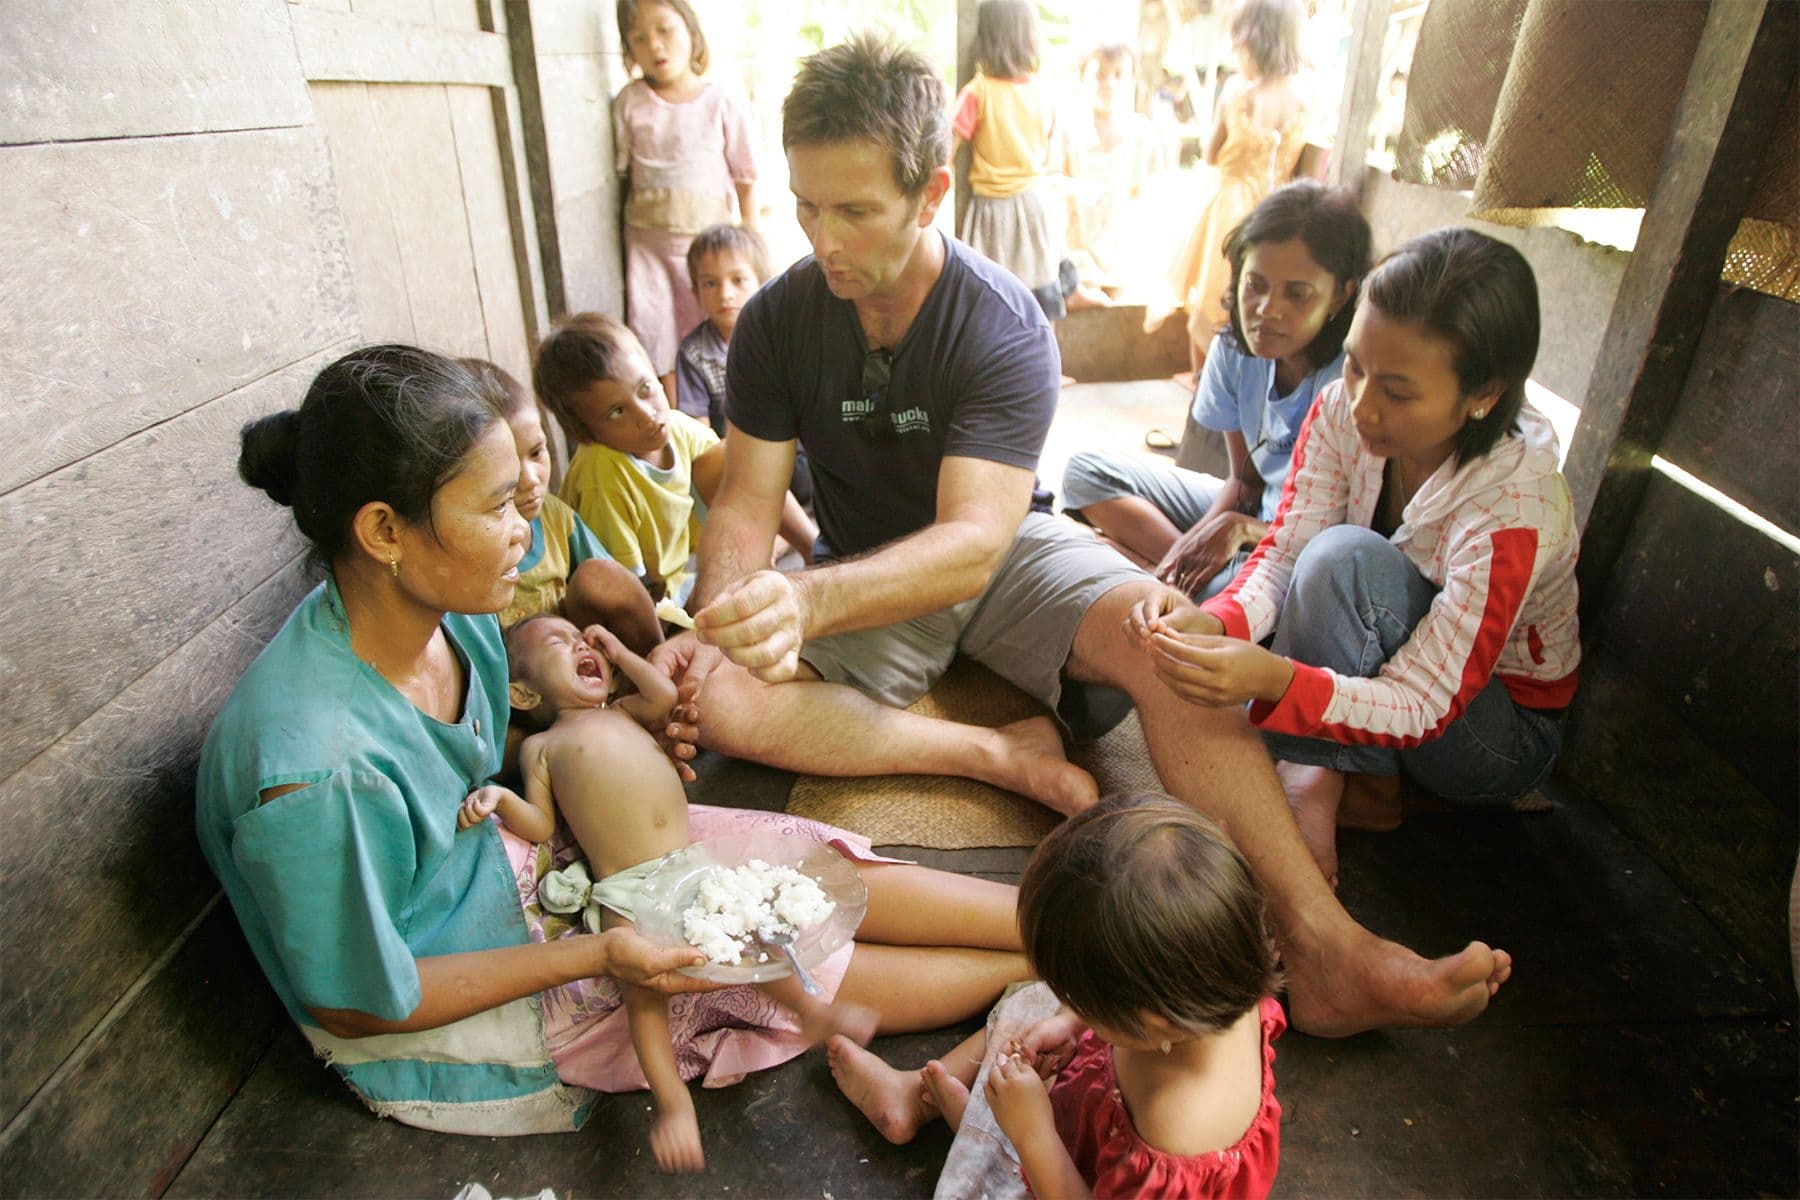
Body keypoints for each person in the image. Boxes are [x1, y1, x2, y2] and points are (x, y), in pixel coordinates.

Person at [654, 32, 1511, 1040]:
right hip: (865, 572)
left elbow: (975, 541)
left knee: (1174, 639)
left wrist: (798, 601)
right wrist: (724, 612)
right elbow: (748, 501)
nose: (823, 237)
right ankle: (994, 754)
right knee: (710, 689)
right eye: (804, 206)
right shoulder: (777, 322)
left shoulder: (1001, 322)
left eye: (855, 210)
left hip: (1005, 552)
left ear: (932, 193)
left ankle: (1326, 947)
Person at [195, 344, 1035, 1138]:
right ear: (383, 531)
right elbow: (361, 1001)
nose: (527, 524)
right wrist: (597, 951)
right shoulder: (314, 775)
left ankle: (1057, 930)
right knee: (748, 969)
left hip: (510, 865)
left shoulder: (448, 618)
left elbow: (493, 762)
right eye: (496, 507)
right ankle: (1064, 968)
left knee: (790, 871)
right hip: (434, 1005)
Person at [1128, 228, 1580, 887]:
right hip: (1393, 662)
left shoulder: (1517, 502)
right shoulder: (1342, 408)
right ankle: (1337, 777)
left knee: (1344, 562)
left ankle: (1332, 780)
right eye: (1355, 365)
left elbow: (1427, 702)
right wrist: (1218, 623)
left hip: (1495, 735)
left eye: (1397, 391)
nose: (1362, 404)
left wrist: (1275, 681)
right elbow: (1284, 552)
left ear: (1483, 394)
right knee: (1321, 564)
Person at [469, 613, 875, 1171]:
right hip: (626, 887)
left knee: (753, 935)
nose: (581, 644)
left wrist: (617, 647)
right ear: (522, 690)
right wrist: (499, 799)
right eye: (560, 643)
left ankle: (811, 1013)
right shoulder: (542, 745)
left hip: (691, 864)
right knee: (645, 999)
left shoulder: (624, 711)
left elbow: (661, 695)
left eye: (583, 638)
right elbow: (539, 825)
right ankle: (673, 1102)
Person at [828, 794, 1286, 1198]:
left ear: (1149, 1021)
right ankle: (919, 1096)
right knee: (1033, 1003)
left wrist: (1033, 1136)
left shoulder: (1177, 1130)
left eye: (1082, 999)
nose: (1071, 1001)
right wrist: (1070, 1019)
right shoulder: (1213, 978)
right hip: (1096, 1109)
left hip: (1083, 1181)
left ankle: (987, 1136)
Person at [1063, 181, 1370, 599]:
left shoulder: (1353, 381)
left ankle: (1170, 579)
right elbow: (1245, 485)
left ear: (1340, 295)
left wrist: (1238, 532)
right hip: (1255, 515)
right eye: (1255, 284)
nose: (1267, 309)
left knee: (1253, 590)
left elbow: (1340, 539)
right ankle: (1175, 578)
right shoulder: (1234, 349)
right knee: (1086, 473)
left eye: (1297, 294)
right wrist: (1191, 547)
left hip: (1305, 550)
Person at [533, 312, 815, 630]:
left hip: (683, 572)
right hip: (643, 605)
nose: (647, 414)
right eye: (617, 412)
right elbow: (627, 589)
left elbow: (741, 476)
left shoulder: (677, 427)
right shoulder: (603, 476)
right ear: (584, 432)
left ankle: (814, 549)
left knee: (734, 458)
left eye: (645, 388)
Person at [464, 358, 661, 653]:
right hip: (519, 687)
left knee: (600, 575)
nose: (530, 480)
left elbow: (615, 583)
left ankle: (659, 665)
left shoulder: (556, 518)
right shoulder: (467, 547)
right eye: (510, 465)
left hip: (581, 662)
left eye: (536, 452)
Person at [614, 0, 757, 398]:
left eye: (665, 30)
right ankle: (676, 420)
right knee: (657, 333)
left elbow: (745, 177)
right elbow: (624, 175)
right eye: (639, 38)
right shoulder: (631, 102)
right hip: (647, 247)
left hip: (705, 245)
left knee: (715, 323)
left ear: (692, 34)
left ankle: (730, 410)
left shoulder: (721, 101)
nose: (654, 46)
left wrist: (750, 238)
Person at [1163, 0, 1309, 382]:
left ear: (1251, 41)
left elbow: (1211, 153)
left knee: (1209, 302)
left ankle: (1203, 384)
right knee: (1253, 305)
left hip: (1229, 210)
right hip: (1274, 212)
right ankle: (1243, 382)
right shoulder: (1301, 100)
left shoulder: (1236, 94)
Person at [953, 0, 1105, 319]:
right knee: (1041, 293)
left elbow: (946, 150)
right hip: (1035, 206)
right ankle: (1047, 360)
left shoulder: (976, 92)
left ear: (985, 38)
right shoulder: (1043, 93)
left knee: (992, 297)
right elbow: (1049, 152)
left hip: (993, 211)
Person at [676, 223, 813, 508]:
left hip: (787, 451)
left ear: (763, 283)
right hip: (735, 458)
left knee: (807, 476)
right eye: (710, 283)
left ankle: (785, 532)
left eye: (738, 280)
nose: (725, 294)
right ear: (696, 292)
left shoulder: (782, 337)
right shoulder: (694, 353)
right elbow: (701, 434)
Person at [1059, 44, 1158, 297]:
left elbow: (1146, 197)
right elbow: (1057, 191)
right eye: (1099, 75)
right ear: (1083, 79)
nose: (1109, 84)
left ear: (1132, 80)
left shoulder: (1142, 133)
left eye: (1118, 75)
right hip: (1078, 257)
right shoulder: (1069, 132)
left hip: (1125, 258)